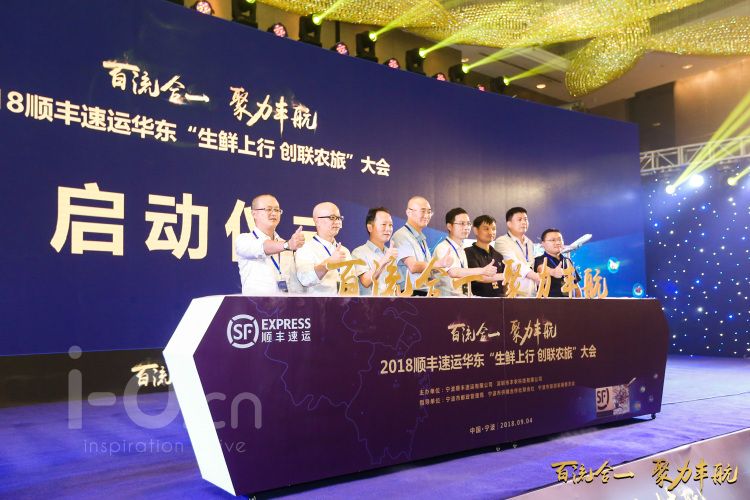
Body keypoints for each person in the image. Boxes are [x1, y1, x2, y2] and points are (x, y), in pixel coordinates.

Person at [235, 194, 306, 295]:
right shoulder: (244, 240)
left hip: (285, 303)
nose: (273, 213)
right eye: (268, 209)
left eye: (277, 210)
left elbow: (294, 282)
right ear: (254, 214)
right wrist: (287, 245)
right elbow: (262, 247)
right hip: (256, 304)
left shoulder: (284, 244)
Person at [390, 196, 452, 296]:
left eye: (429, 212)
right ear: (409, 212)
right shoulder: (401, 235)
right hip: (409, 294)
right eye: (423, 211)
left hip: (425, 292)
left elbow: (426, 268)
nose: (427, 215)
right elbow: (413, 266)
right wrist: (439, 263)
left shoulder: (421, 238)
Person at [434, 208, 501, 296]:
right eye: (462, 224)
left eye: (468, 224)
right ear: (449, 226)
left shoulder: (462, 249)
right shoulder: (443, 247)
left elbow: (466, 277)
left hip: (464, 298)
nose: (466, 227)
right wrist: (483, 270)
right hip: (447, 299)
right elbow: (453, 272)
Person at [294, 202, 352, 295]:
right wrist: (328, 264)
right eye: (332, 217)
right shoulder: (305, 248)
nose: (337, 222)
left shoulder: (344, 251)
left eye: (339, 218)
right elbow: (305, 279)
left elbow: (352, 282)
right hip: (320, 303)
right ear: (317, 221)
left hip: (345, 303)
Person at [351, 207, 399, 296]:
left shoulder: (390, 252)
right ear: (370, 227)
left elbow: (395, 285)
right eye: (383, 224)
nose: (388, 229)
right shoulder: (358, 253)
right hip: (371, 304)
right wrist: (385, 260)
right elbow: (365, 281)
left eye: (390, 225)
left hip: (392, 303)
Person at [494, 207, 540, 297]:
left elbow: (531, 265)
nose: (524, 222)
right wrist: (536, 276)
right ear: (509, 224)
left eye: (525, 219)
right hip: (514, 293)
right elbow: (514, 263)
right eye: (519, 219)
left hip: (532, 293)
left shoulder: (529, 243)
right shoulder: (502, 241)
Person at [465, 215, 507, 297]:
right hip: (478, 300)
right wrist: (503, 276)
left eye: (493, 229)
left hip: (500, 300)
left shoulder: (498, 255)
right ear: (476, 230)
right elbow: (477, 277)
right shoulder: (468, 253)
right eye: (486, 229)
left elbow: (505, 283)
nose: (491, 232)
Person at [534, 228, 581, 297]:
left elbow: (575, 284)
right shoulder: (538, 260)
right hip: (549, 302)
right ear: (543, 244)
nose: (558, 243)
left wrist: (580, 300)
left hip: (570, 301)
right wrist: (553, 272)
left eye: (560, 240)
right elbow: (541, 269)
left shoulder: (567, 260)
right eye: (553, 240)